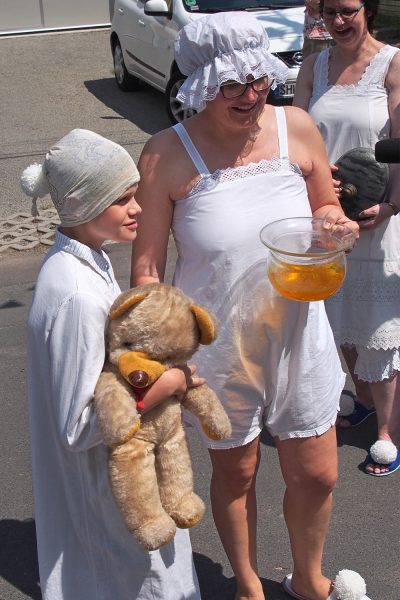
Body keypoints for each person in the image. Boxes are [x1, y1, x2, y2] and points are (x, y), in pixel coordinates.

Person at [130, 12, 371, 600]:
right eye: (230, 84)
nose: (249, 95)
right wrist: (154, 353)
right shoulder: (166, 153)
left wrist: (336, 226)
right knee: (236, 473)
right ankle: (247, 585)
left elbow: (323, 209)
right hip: (218, 351)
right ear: (201, 86)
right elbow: (147, 268)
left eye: (256, 79)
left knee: (317, 473)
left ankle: (309, 579)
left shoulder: (296, 127)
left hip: (299, 333)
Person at [21, 128, 203, 600]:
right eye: (122, 199)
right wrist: (168, 384)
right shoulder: (77, 295)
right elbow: (78, 426)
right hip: (109, 498)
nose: (138, 208)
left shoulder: (87, 262)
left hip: (124, 483)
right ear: (83, 204)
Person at [293, 0, 400, 477]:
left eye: (348, 10)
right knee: (338, 314)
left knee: (377, 324)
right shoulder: (314, 66)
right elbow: (296, 135)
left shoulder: (392, 62)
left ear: (367, 10)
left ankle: (387, 434)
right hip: (328, 217)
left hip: (378, 217)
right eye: (330, 11)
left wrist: (392, 204)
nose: (339, 21)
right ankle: (360, 400)